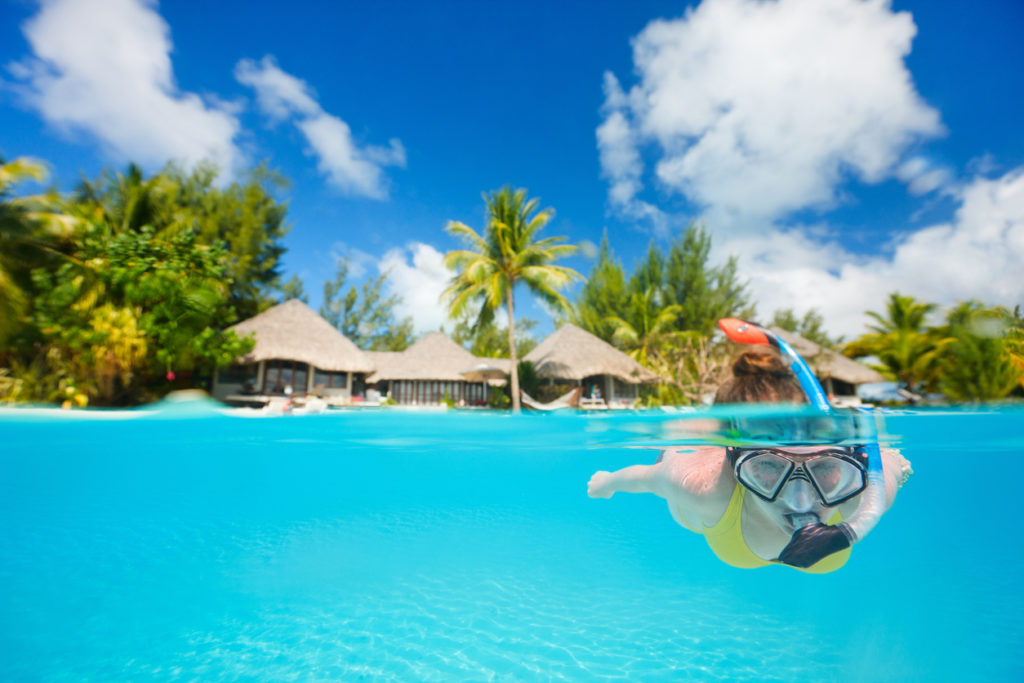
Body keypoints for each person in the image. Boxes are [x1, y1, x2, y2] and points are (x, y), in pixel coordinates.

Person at [587, 349, 912, 573]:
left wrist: (896, 463)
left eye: (824, 467)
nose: (799, 501)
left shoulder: (865, 490)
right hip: (717, 520)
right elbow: (646, 477)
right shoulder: (705, 488)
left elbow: (895, 463)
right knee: (681, 495)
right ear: (733, 456)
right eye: (768, 467)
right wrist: (609, 482)